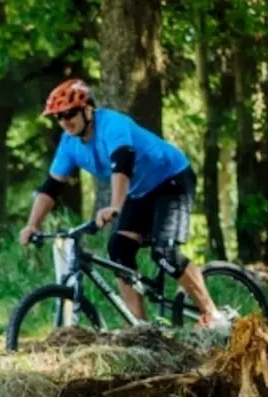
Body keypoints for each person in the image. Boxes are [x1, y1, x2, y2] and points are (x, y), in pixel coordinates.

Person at [18, 79, 221, 325]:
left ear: (88, 109)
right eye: (58, 117)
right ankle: (142, 330)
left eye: (69, 113)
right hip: (140, 192)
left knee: (164, 253)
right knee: (119, 251)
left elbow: (122, 164)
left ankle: (213, 315)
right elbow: (51, 187)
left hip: (172, 180)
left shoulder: (113, 124)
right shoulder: (69, 143)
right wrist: (32, 225)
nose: (64, 121)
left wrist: (115, 206)